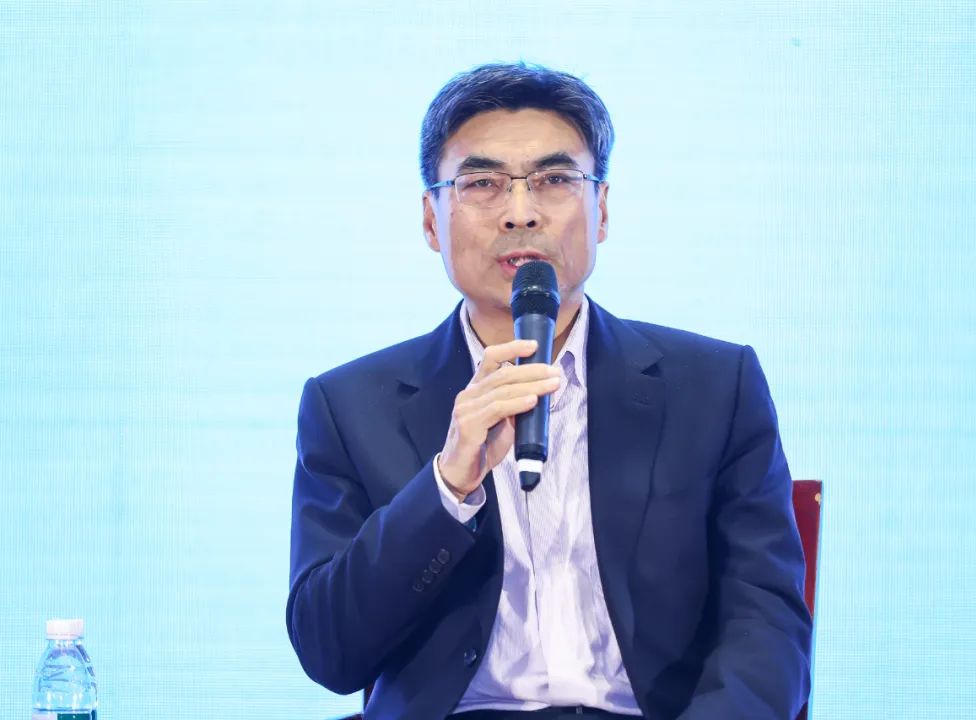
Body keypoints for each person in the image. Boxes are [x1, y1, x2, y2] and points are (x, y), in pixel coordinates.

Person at [287, 62, 812, 720]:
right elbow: (329, 652)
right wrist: (447, 486)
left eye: (555, 180)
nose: (521, 213)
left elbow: (767, 628)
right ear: (431, 220)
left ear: (602, 211)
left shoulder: (714, 386)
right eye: (482, 184)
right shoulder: (348, 406)